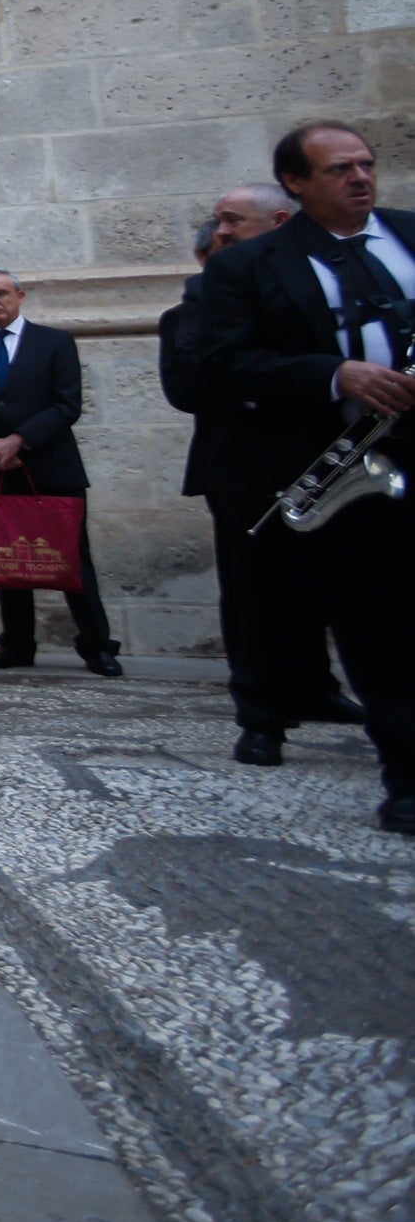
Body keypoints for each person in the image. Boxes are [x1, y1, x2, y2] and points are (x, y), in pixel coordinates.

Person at [196, 121, 415, 832]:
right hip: (352, 464)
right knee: (380, 626)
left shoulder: (410, 236)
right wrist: (333, 374)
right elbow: (220, 366)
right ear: (295, 182)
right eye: (338, 169)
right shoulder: (249, 268)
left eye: (365, 164)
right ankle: (407, 776)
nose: (359, 178)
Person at [161, 183, 351, 762]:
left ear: (280, 222)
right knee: (253, 593)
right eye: (217, 223)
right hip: (242, 466)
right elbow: (192, 384)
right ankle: (262, 716)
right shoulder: (194, 310)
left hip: (324, 459)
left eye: (232, 221)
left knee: (333, 585)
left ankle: (318, 688)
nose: (221, 231)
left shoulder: (317, 291)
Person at [0, 270, 122, 676]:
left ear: (19, 296)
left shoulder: (55, 343)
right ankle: (17, 644)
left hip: (51, 466)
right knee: (4, 558)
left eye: (1, 293)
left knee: (73, 558)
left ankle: (98, 646)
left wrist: (20, 440)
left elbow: (66, 403)